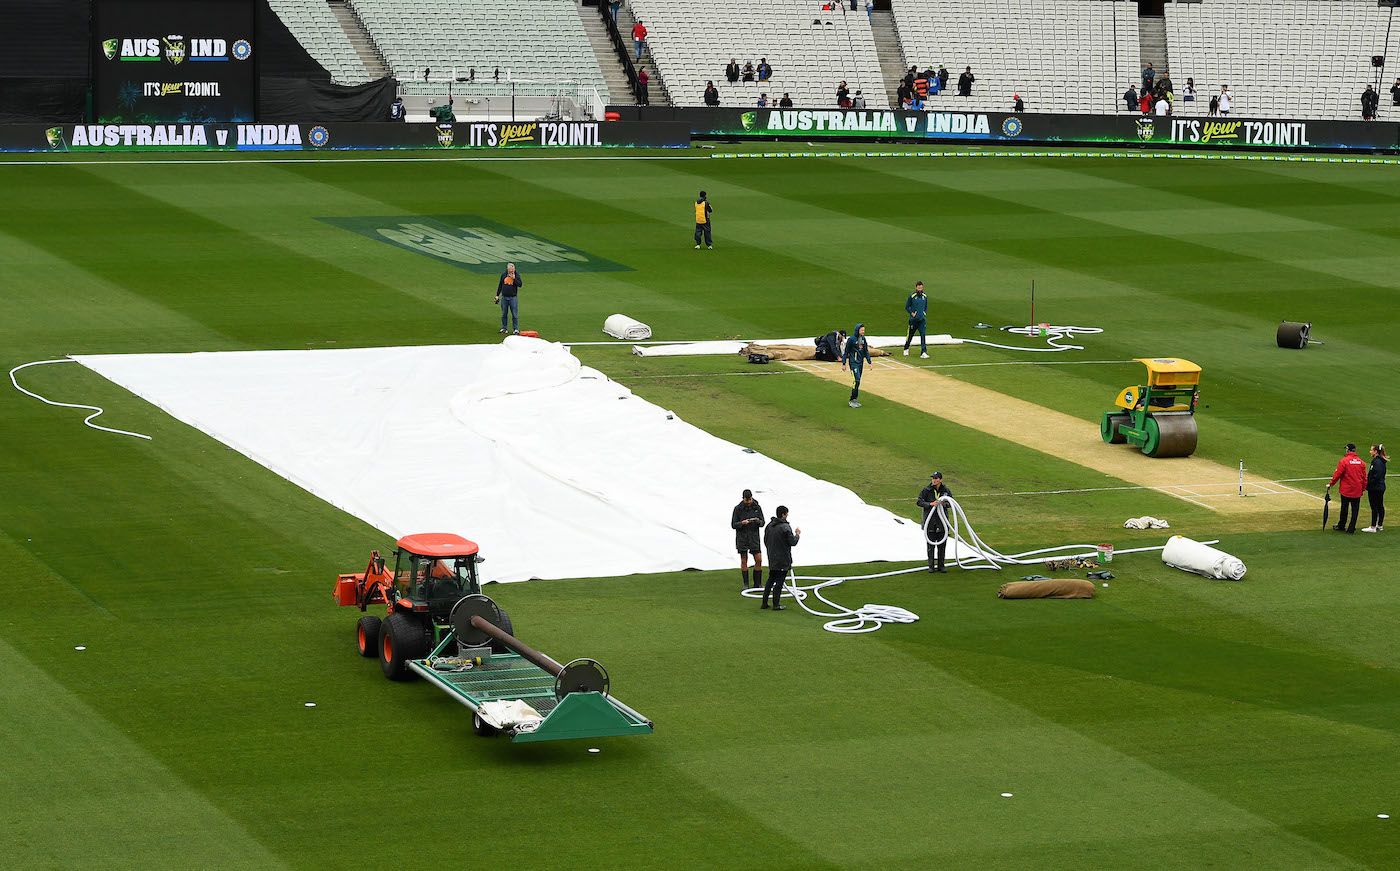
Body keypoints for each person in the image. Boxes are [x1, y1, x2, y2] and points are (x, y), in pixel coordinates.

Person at [761, 506, 800, 610]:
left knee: (770, 579)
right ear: (783, 514)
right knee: (779, 582)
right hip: (783, 559)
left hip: (772, 557)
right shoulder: (785, 527)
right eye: (786, 513)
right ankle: (776, 604)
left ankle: (764, 603)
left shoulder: (769, 526)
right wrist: (797, 535)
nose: (787, 515)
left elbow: (765, 540)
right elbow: (793, 542)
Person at [1327, 443, 1368, 533]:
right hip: (1357, 490)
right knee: (1355, 510)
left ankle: (1341, 525)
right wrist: (1363, 488)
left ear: (1348, 450)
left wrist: (1331, 484)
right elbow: (1364, 477)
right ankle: (1351, 528)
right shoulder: (1361, 462)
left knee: (1344, 508)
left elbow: (1337, 474)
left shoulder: (1344, 461)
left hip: (1346, 490)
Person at [917, 472, 953, 573]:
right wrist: (930, 504)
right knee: (930, 546)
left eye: (936, 478)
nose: (934, 480)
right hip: (930, 522)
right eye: (933, 478)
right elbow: (919, 502)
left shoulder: (945, 490)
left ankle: (941, 565)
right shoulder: (926, 490)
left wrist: (943, 504)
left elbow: (951, 503)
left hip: (942, 523)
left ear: (940, 480)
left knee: (942, 546)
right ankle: (931, 566)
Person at [732, 489, 765, 588]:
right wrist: (742, 523)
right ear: (743, 499)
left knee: (758, 559)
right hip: (742, 538)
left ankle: (757, 583)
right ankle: (746, 584)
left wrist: (757, 521)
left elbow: (763, 522)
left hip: (754, 537)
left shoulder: (757, 507)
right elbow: (733, 524)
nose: (749, 502)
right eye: (747, 500)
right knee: (744, 560)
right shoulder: (738, 509)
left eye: (750, 499)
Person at [842, 322, 871, 408]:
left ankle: (855, 399)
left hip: (860, 363)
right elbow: (846, 352)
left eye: (864, 330)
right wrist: (844, 363)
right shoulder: (851, 339)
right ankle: (852, 399)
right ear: (857, 330)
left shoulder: (863, 339)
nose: (863, 332)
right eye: (862, 330)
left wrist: (869, 362)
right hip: (853, 363)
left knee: (858, 382)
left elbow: (866, 351)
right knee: (856, 380)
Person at [1363, 444, 1388, 532]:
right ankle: (1379, 525)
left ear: (1376, 451)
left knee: (1374, 506)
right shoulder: (1380, 461)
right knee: (1380, 505)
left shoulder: (1377, 462)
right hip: (1380, 487)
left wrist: (1368, 485)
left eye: (1371, 450)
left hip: (1375, 488)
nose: (1370, 452)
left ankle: (1373, 526)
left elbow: (1376, 476)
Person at [903, 280, 929, 358]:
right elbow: (907, 307)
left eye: (921, 288)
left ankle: (923, 352)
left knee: (923, 335)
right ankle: (906, 348)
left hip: (922, 320)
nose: (920, 290)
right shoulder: (912, 296)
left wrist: (924, 313)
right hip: (913, 320)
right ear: (916, 288)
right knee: (910, 335)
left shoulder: (925, 296)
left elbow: (926, 306)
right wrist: (912, 313)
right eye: (918, 288)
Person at [495, 262, 523, 334]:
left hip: (513, 298)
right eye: (510, 270)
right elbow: (500, 285)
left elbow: (520, 284)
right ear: (508, 269)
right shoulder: (503, 275)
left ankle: (516, 329)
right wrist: (497, 295)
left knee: (514, 314)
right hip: (504, 297)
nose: (512, 271)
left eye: (513, 270)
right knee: (504, 313)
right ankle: (504, 328)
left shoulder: (516, 275)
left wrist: (514, 279)